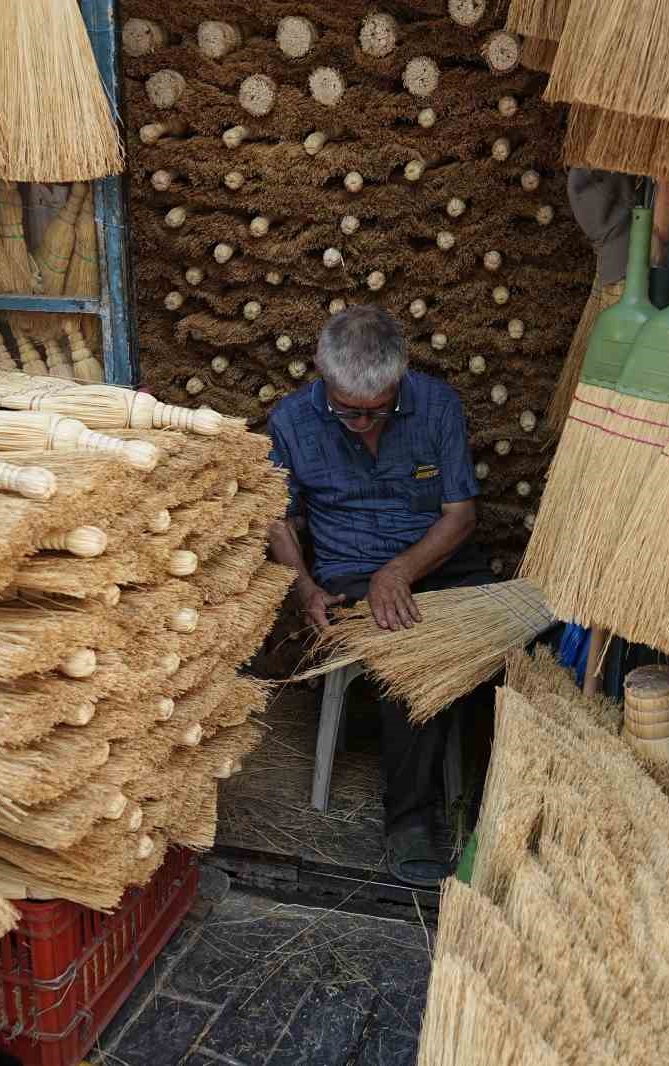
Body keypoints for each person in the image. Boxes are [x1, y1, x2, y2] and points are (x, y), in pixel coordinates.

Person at [267, 305, 491, 887]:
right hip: (350, 574)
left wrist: (402, 569)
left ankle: (492, 799)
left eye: (379, 410)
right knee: (407, 653)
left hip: (437, 562)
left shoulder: (437, 405)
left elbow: (460, 515)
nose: (364, 423)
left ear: (400, 378)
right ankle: (410, 821)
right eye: (348, 411)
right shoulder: (290, 422)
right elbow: (278, 522)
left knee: (510, 643)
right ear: (322, 376)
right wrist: (305, 589)